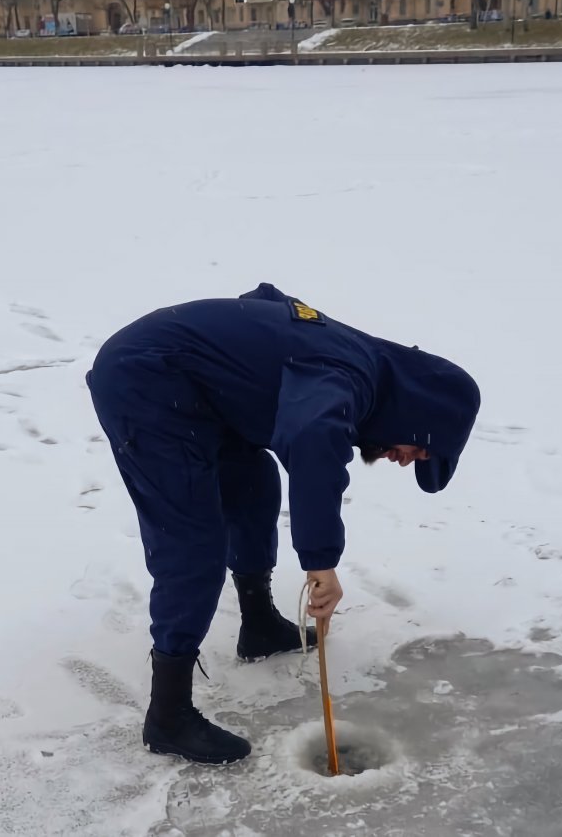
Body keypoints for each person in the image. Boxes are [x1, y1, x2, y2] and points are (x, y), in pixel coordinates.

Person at [86, 283, 481, 764]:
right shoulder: (346, 381)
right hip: (146, 381)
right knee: (191, 545)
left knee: (254, 485)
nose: (406, 461)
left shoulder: (368, 366)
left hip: (199, 388)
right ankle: (168, 717)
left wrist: (236, 356)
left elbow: (270, 298)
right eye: (420, 451)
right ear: (423, 416)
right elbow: (314, 442)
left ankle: (259, 626)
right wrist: (321, 563)